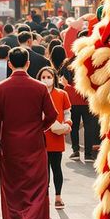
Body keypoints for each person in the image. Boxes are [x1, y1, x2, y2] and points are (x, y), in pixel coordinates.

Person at [0, 48, 59, 219]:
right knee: (36, 189)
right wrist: (40, 127)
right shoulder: (39, 88)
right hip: (34, 144)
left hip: (10, 145)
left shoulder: (0, 88)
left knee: (12, 190)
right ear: (28, 64)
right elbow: (53, 115)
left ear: (9, 64)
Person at [38, 66, 72, 209]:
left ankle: (58, 196)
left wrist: (67, 124)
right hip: (41, 136)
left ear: (54, 77)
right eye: (43, 77)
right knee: (43, 170)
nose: (46, 80)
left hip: (57, 136)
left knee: (56, 167)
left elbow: (67, 112)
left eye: (49, 77)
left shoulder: (62, 94)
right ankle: (44, 196)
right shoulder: (37, 93)